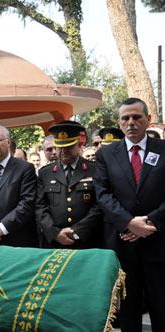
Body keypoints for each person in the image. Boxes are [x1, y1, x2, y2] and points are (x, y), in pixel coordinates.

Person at [94, 97, 165, 331]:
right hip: (122, 244)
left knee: (162, 306)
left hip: (159, 242)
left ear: (148, 120)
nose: (131, 122)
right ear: (119, 122)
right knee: (128, 310)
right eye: (125, 118)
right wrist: (129, 223)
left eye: (136, 117)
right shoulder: (106, 154)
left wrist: (150, 222)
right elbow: (103, 195)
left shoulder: (163, 150)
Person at [36, 121, 103, 249]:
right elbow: (40, 206)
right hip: (55, 242)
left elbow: (99, 204)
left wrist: (77, 231)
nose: (63, 151)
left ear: (79, 145)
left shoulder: (94, 170)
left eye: (68, 146)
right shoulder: (45, 173)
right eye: (60, 147)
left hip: (87, 240)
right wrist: (55, 233)